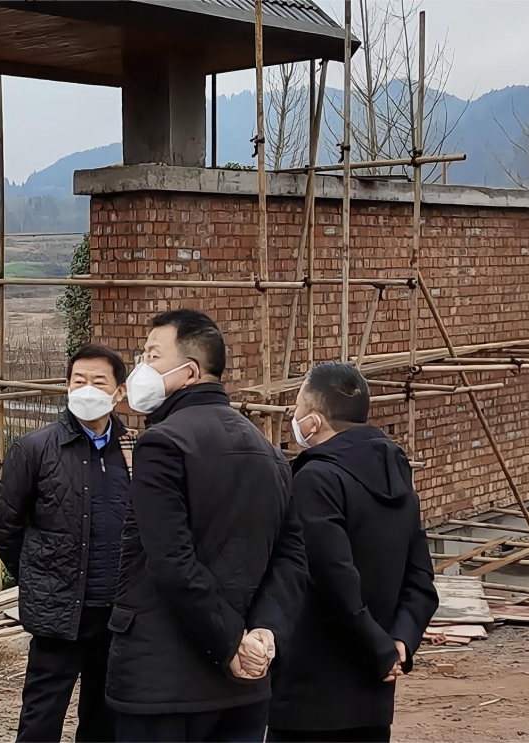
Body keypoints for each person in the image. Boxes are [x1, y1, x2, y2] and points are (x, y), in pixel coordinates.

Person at [107, 310, 306, 743]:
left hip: (165, 682)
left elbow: (171, 561)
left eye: (152, 356)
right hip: (246, 682)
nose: (141, 368)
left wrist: (230, 643)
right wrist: (264, 633)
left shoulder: (163, 443)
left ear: (190, 372)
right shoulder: (269, 452)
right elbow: (291, 559)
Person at [267, 362, 438, 743]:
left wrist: (380, 649)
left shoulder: (316, 479)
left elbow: (331, 578)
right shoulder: (397, 477)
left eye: (297, 406)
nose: (293, 416)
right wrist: (399, 642)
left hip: (310, 695)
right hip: (372, 693)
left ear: (314, 421)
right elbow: (421, 579)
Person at [0, 344, 136, 743]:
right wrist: (38, 578)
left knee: (104, 715)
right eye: (79, 380)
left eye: (98, 382)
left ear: (119, 392)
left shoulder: (134, 450)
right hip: (57, 610)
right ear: (66, 385)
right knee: (42, 713)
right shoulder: (34, 449)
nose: (87, 389)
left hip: (115, 612)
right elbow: (6, 526)